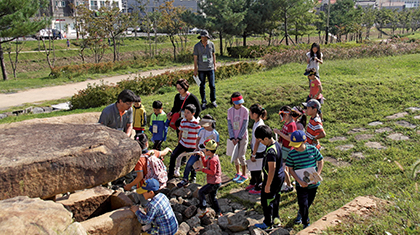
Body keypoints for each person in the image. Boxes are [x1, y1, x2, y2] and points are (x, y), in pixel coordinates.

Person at [286, 130, 324, 229]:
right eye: (294, 145)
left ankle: (301, 213)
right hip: (301, 184)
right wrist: (299, 181)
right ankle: (305, 222)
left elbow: (320, 161)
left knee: (309, 202)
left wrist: (317, 175)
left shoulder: (313, 150)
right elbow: (290, 169)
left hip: (313, 184)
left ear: (304, 141)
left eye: (297, 145)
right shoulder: (291, 154)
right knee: (303, 203)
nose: (295, 147)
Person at [254, 125, 284, 230]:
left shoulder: (271, 152)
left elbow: (272, 169)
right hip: (280, 177)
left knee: (266, 201)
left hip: (273, 179)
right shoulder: (276, 143)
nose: (261, 142)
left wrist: (267, 185)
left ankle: (268, 223)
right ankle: (276, 217)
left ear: (266, 139)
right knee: (276, 198)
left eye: (261, 140)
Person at [177, 114, 219, 187]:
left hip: (208, 153)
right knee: (190, 163)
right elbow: (198, 139)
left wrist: (210, 152)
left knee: (210, 169)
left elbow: (216, 144)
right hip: (199, 151)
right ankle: (185, 179)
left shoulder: (215, 133)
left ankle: (212, 183)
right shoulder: (201, 130)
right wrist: (196, 148)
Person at [167, 104, 201, 178]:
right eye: (185, 112)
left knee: (192, 161)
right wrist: (179, 141)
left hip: (192, 146)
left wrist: (197, 146)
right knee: (173, 155)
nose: (185, 114)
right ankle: (171, 172)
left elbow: (199, 135)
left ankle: (193, 176)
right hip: (183, 144)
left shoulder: (196, 123)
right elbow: (180, 132)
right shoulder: (183, 121)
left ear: (193, 114)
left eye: (188, 112)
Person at [194, 139, 223, 218]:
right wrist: (203, 157)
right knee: (212, 198)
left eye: (206, 150)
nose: (204, 150)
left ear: (209, 151)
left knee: (201, 192)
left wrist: (202, 170)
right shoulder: (212, 157)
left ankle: (203, 208)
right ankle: (218, 212)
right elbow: (205, 164)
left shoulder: (213, 160)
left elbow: (212, 172)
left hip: (213, 183)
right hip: (216, 182)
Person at [273, 106, 297, 193]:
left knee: (282, 168)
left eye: (283, 115)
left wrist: (279, 133)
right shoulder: (287, 123)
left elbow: (290, 138)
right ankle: (286, 183)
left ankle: (289, 185)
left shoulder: (291, 125)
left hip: (287, 149)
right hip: (284, 148)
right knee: (284, 168)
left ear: (287, 115)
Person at [227, 92, 249, 184]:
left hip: (242, 137)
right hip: (233, 137)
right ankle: (238, 172)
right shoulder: (229, 111)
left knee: (241, 156)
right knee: (234, 156)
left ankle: (244, 174)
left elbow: (244, 125)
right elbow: (229, 124)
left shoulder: (245, 111)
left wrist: (239, 137)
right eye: (238, 102)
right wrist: (232, 137)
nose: (240, 104)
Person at [246, 104, 267, 195]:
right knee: (253, 168)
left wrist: (254, 154)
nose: (249, 113)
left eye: (250, 112)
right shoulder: (256, 122)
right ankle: (253, 182)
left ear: (255, 114)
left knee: (257, 169)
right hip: (255, 148)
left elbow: (258, 141)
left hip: (259, 150)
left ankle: (258, 186)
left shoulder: (260, 125)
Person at [193, 30, 217, 110]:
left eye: (206, 37)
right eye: (203, 37)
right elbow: (195, 58)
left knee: (212, 85)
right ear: (201, 37)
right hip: (201, 69)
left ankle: (213, 100)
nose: (204, 38)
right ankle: (203, 102)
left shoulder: (211, 44)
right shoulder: (197, 46)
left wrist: (215, 65)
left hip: (210, 68)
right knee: (202, 86)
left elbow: (213, 55)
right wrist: (195, 69)